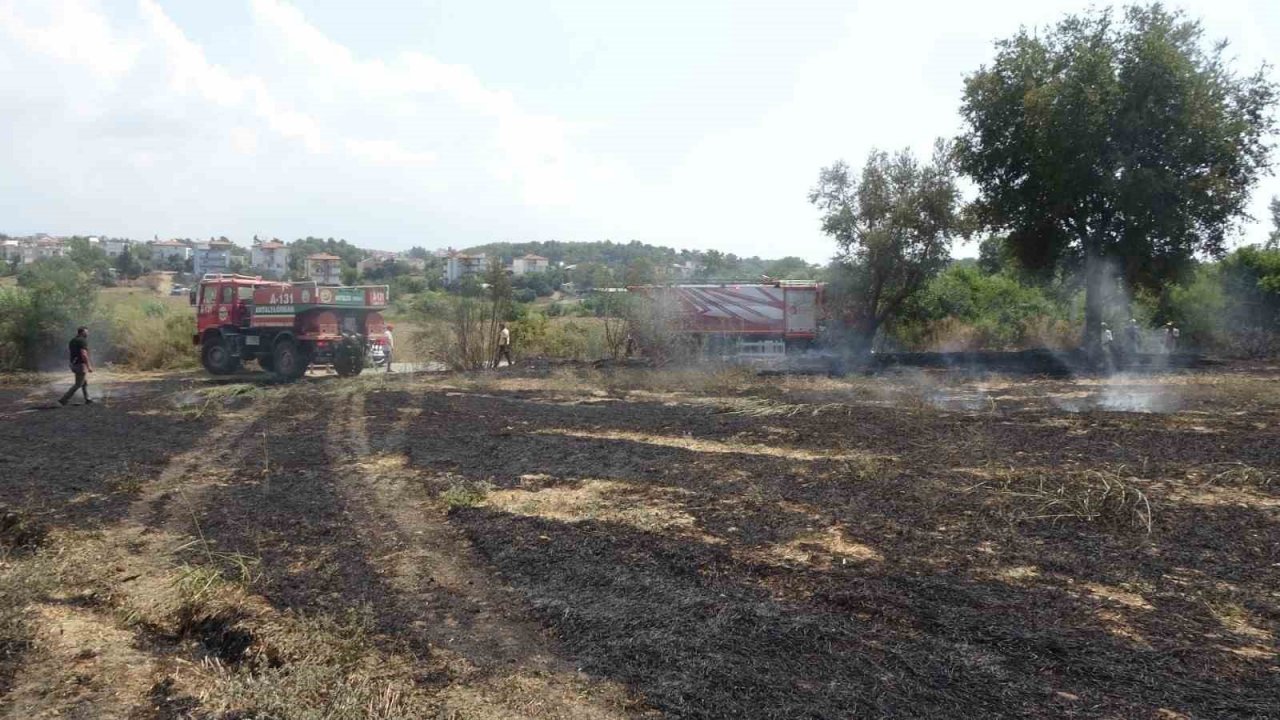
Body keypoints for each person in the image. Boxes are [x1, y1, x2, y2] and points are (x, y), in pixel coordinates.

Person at [59, 327, 93, 406]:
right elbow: (84, 354)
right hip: (80, 364)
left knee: (84, 382)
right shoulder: (82, 341)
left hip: (73, 364)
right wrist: (88, 366)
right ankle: (63, 399)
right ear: (82, 332)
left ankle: (88, 398)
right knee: (78, 384)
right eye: (86, 332)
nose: (88, 333)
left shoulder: (72, 340)